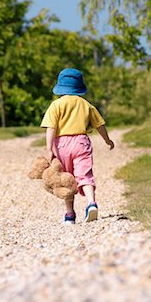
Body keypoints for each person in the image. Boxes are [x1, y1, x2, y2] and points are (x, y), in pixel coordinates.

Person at [41, 68, 114, 225]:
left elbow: (51, 128)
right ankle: (91, 203)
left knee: (66, 179)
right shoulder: (86, 105)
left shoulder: (56, 105)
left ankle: (69, 215)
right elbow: (100, 125)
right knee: (85, 175)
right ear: (79, 87)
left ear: (60, 88)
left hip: (61, 146)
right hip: (81, 142)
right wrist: (107, 140)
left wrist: (49, 148)